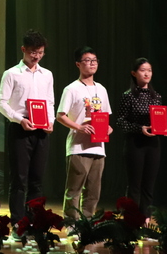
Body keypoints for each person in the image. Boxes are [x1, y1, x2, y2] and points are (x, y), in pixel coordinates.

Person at [0, 29, 54, 232]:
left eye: (40, 52)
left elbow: (50, 101)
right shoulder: (12, 74)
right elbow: (0, 102)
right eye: (32, 52)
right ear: (23, 49)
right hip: (20, 129)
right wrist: (19, 119)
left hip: (41, 131)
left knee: (37, 179)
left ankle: (35, 222)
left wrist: (51, 121)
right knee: (19, 179)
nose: (36, 56)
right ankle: (18, 223)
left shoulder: (47, 75)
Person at [57, 46, 113, 219]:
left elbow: (105, 116)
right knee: (74, 189)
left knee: (94, 191)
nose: (92, 64)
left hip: (98, 146)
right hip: (78, 146)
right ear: (78, 64)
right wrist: (78, 127)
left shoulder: (101, 89)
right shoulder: (71, 89)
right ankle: (72, 224)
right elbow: (60, 116)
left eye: (94, 60)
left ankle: (87, 223)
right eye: (87, 61)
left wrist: (108, 128)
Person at [116, 57, 164, 219]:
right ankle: (132, 219)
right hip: (134, 144)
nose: (146, 74)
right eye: (143, 70)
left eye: (149, 70)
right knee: (134, 185)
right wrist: (139, 128)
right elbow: (120, 121)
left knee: (149, 185)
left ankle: (146, 219)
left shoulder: (156, 96)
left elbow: (159, 119)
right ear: (134, 73)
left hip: (153, 144)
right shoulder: (128, 96)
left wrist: (163, 127)